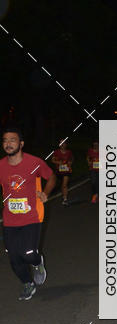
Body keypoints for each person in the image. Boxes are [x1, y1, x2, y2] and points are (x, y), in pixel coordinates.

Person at [0, 127, 56, 300]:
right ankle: (27, 283)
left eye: (13, 140)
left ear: (21, 144)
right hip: (10, 219)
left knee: (29, 254)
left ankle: (38, 263)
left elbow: (52, 176)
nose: (8, 144)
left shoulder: (34, 163)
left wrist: (45, 192)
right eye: (5, 141)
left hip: (33, 216)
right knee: (14, 257)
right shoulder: (1, 165)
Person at [51, 141, 74, 205]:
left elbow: (72, 159)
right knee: (60, 184)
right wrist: (58, 162)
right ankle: (62, 194)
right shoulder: (56, 152)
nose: (62, 144)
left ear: (66, 144)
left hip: (66, 171)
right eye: (61, 143)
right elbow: (52, 160)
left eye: (64, 143)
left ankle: (65, 199)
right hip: (58, 171)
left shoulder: (69, 152)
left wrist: (70, 163)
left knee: (64, 185)